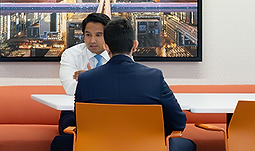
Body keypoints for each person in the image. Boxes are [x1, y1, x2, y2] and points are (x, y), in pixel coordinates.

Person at [49, 18, 195, 151]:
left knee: (58, 142)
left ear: (106, 47)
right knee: (188, 145)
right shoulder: (154, 77)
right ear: (134, 45)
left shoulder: (86, 79)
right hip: (147, 146)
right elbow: (178, 122)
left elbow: (81, 123)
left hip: (97, 146)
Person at [56, 13, 111, 133]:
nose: (92, 40)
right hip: (76, 111)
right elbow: (71, 88)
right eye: (88, 35)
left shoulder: (119, 55)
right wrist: (106, 82)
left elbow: (126, 84)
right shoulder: (71, 54)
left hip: (111, 111)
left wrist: (89, 78)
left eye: (98, 35)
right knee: (67, 130)